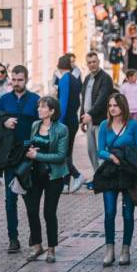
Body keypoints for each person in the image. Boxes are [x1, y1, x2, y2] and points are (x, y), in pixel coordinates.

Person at [97, 93, 137, 267]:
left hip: (128, 173)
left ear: (122, 107)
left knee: (127, 213)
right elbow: (99, 150)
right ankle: (109, 249)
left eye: (115, 106)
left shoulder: (133, 126)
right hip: (110, 171)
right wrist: (111, 156)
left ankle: (126, 249)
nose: (112, 108)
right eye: (110, 106)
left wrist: (127, 158)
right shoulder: (105, 125)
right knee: (109, 211)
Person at [0, 65, 41, 254]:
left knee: (30, 198)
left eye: (20, 80)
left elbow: (43, 124)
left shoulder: (35, 100)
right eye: (13, 80)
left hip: (28, 155)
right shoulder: (4, 100)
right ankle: (13, 238)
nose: (16, 83)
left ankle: (34, 235)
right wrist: (3, 121)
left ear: (26, 79)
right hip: (9, 155)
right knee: (10, 199)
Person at [22, 96, 69, 264]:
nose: (39, 109)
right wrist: (30, 149)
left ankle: (51, 248)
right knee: (31, 210)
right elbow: (31, 144)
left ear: (52, 111)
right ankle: (36, 245)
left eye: (43, 107)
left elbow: (61, 156)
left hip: (53, 175)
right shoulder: (35, 125)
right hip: (34, 174)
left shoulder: (61, 129)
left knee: (49, 212)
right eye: (39, 107)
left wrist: (37, 155)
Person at [80, 51, 114, 171]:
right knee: (91, 151)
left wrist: (90, 114)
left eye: (94, 62)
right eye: (89, 62)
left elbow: (102, 99)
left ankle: (104, 176)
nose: (92, 64)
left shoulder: (106, 79)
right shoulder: (87, 78)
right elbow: (83, 99)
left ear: (99, 62)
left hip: (101, 121)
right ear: (87, 64)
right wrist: (82, 119)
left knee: (102, 151)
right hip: (89, 120)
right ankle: (97, 175)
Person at [56, 55, 84, 194]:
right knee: (67, 153)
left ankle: (77, 175)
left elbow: (63, 102)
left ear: (59, 67)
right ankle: (65, 184)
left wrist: (59, 122)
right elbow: (78, 101)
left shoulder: (64, 79)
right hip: (73, 119)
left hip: (65, 121)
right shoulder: (75, 79)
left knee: (62, 154)